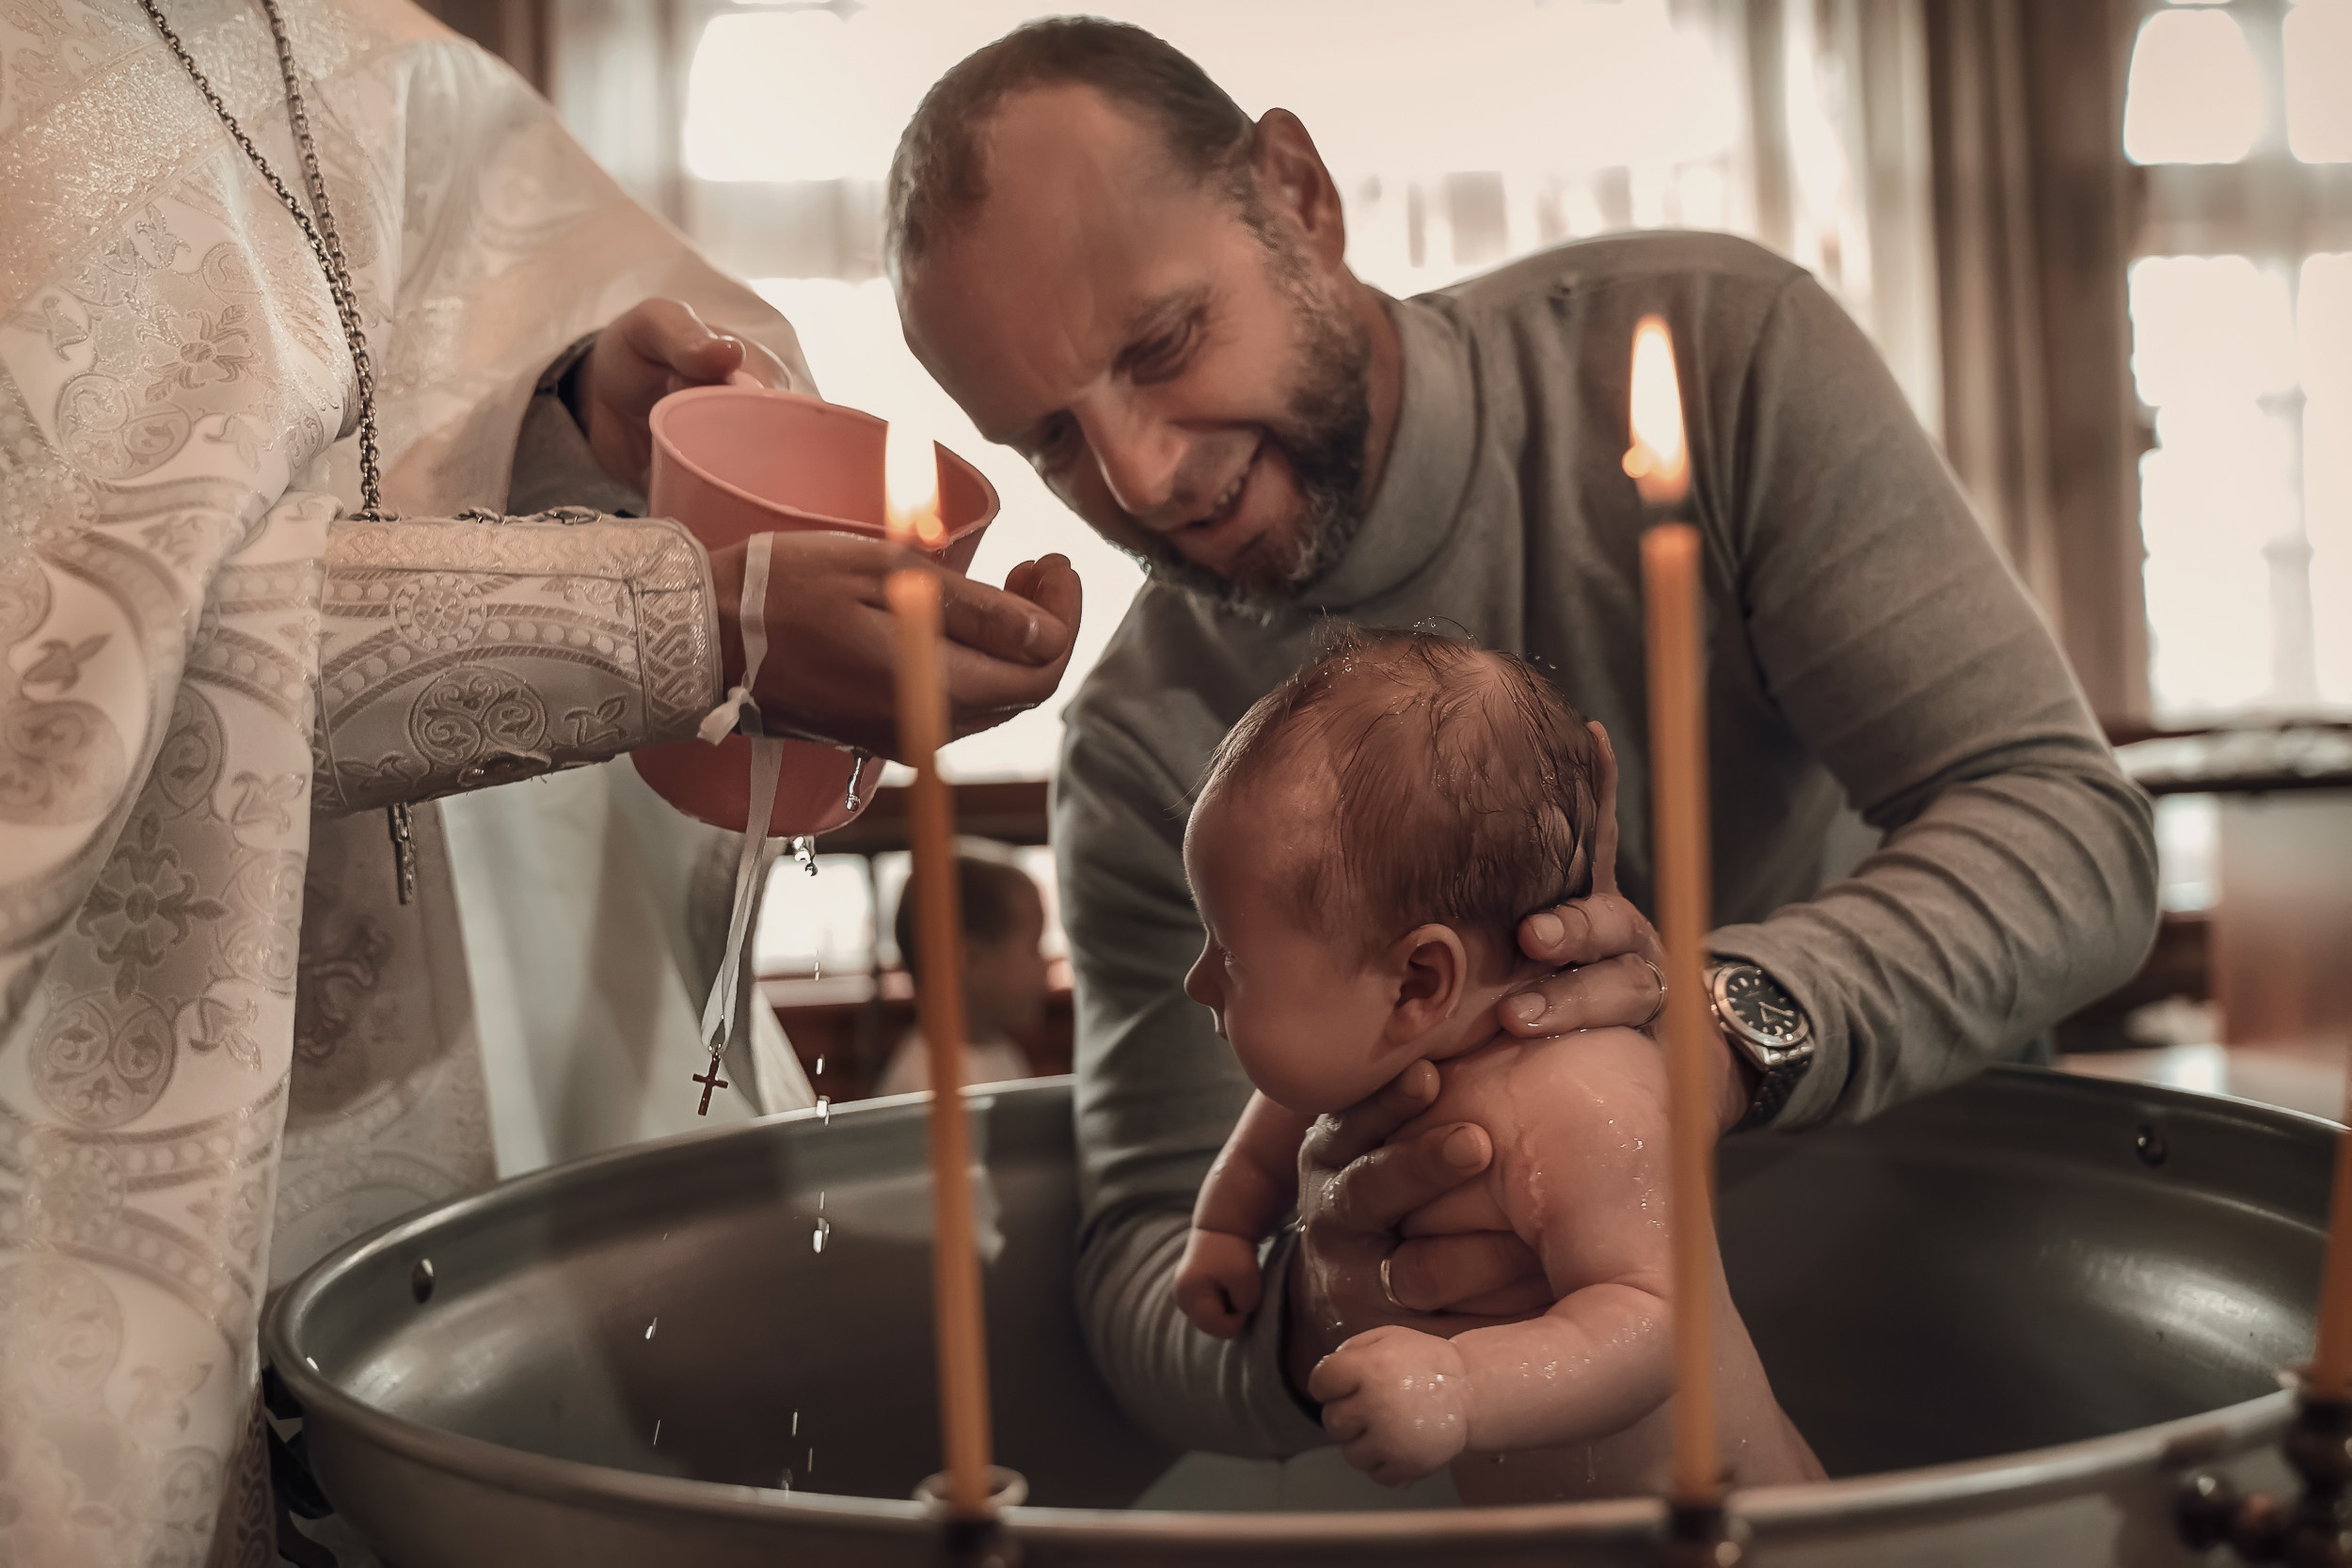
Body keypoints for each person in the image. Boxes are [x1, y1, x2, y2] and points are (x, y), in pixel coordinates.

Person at [882, 18, 2157, 1459]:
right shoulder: (1143, 742)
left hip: (1946, 1303)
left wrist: (1719, 1030)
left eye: (1165, 341)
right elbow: (1144, 1277)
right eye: (1048, 440)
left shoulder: (1715, 355)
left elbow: (2075, 838)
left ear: (1297, 192)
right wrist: (1341, 1307)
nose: (1143, 475)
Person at [0, 3, 1079, 1564]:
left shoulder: (353, 44)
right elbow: (78, 650)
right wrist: (669, 626)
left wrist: (573, 413)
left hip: (438, 1079)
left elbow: (423, 360)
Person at [1173, 628, 1820, 1498]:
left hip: (1735, 1533)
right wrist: (1223, 1230)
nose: (1197, 981)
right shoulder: (1368, 1049)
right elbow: (1274, 1127)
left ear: (1418, 980)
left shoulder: (1586, 1100)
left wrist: (1462, 1386)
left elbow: (1658, 1321)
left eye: (1233, 956)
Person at [874, 842, 1053, 1095]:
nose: (1045, 965)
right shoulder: (926, 1087)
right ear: (971, 960)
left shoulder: (1003, 1052)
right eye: (1034, 947)